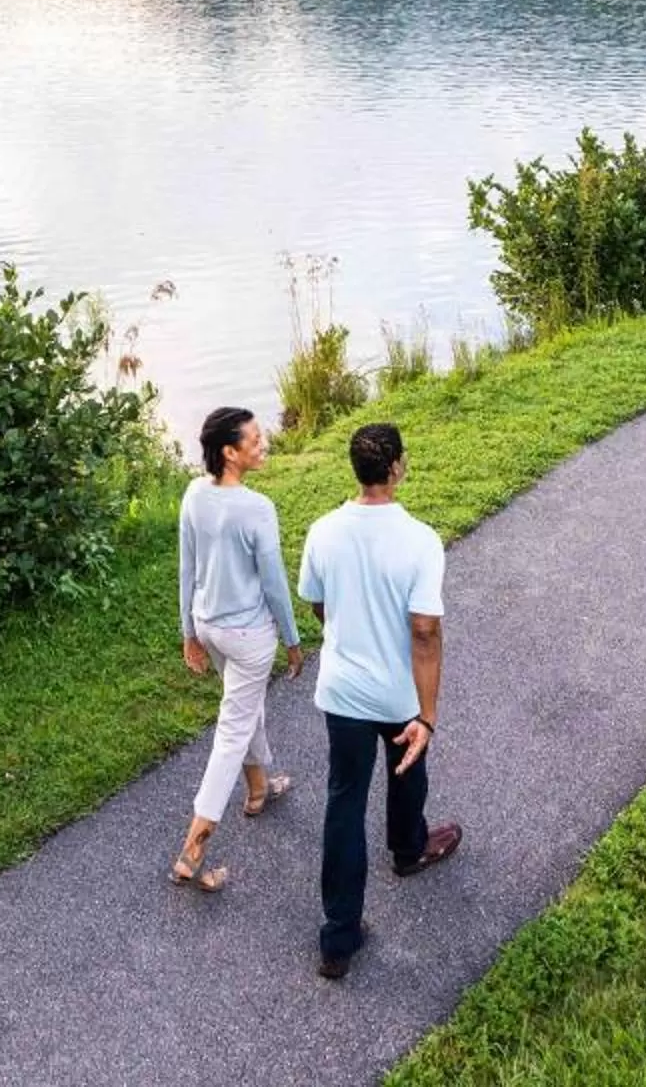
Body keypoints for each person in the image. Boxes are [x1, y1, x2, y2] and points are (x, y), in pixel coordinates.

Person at [295, 420, 460, 978]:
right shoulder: (420, 540)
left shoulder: (322, 531)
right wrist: (429, 715)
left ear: (357, 470)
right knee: (408, 765)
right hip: (397, 694)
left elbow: (318, 606)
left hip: (341, 691)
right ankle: (409, 850)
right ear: (397, 468)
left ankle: (338, 941)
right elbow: (424, 630)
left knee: (344, 801)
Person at [169, 405, 304, 892]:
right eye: (254, 439)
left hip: (209, 627)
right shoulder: (256, 509)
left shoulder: (193, 494)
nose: (262, 444)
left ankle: (258, 790)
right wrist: (293, 640)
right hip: (249, 637)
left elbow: (188, 568)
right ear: (229, 452)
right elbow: (274, 583)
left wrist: (188, 632)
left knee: (244, 709)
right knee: (232, 731)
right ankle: (193, 850)